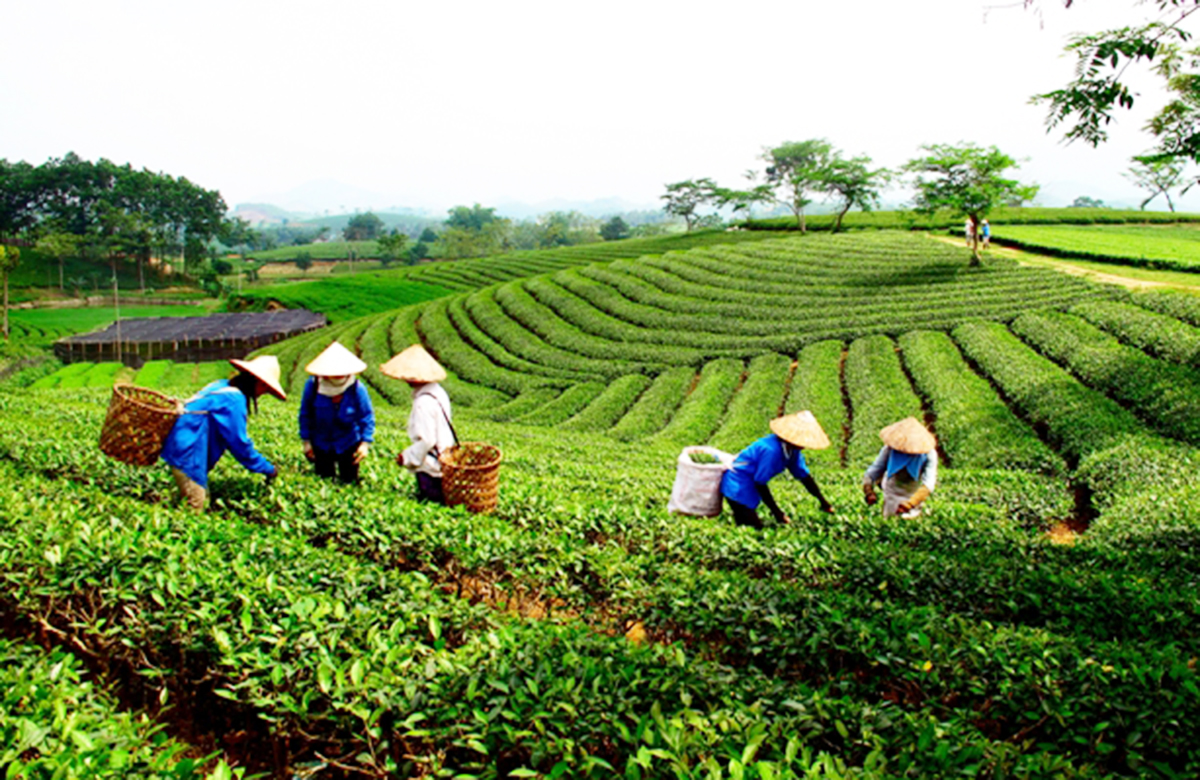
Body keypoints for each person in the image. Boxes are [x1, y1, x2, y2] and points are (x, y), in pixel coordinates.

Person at [160, 355, 285, 512]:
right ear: (257, 382)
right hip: (189, 451)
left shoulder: (221, 385)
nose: (262, 393)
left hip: (179, 444)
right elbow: (239, 444)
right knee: (196, 505)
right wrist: (267, 468)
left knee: (192, 499)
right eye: (265, 389)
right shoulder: (234, 400)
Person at [720, 411, 835, 528]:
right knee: (753, 527)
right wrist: (777, 513)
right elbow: (760, 483)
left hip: (750, 484)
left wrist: (824, 502)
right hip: (737, 485)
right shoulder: (771, 451)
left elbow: (804, 476)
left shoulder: (793, 451)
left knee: (750, 524)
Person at [380, 344, 455, 504]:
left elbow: (427, 440)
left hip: (431, 466)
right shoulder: (439, 392)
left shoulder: (423, 402)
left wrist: (407, 457)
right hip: (445, 458)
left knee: (431, 502)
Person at [298, 341, 375, 484]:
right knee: (324, 481)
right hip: (321, 443)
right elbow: (305, 414)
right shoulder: (313, 386)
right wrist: (306, 442)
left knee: (350, 481)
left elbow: (366, 416)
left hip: (348, 442)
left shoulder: (356, 388)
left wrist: (365, 444)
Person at [862, 417, 938, 519]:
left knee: (911, 524)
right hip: (891, 494)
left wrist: (910, 503)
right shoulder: (890, 449)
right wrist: (869, 490)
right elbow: (874, 471)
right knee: (890, 522)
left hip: (912, 495)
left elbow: (929, 484)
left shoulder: (929, 454)